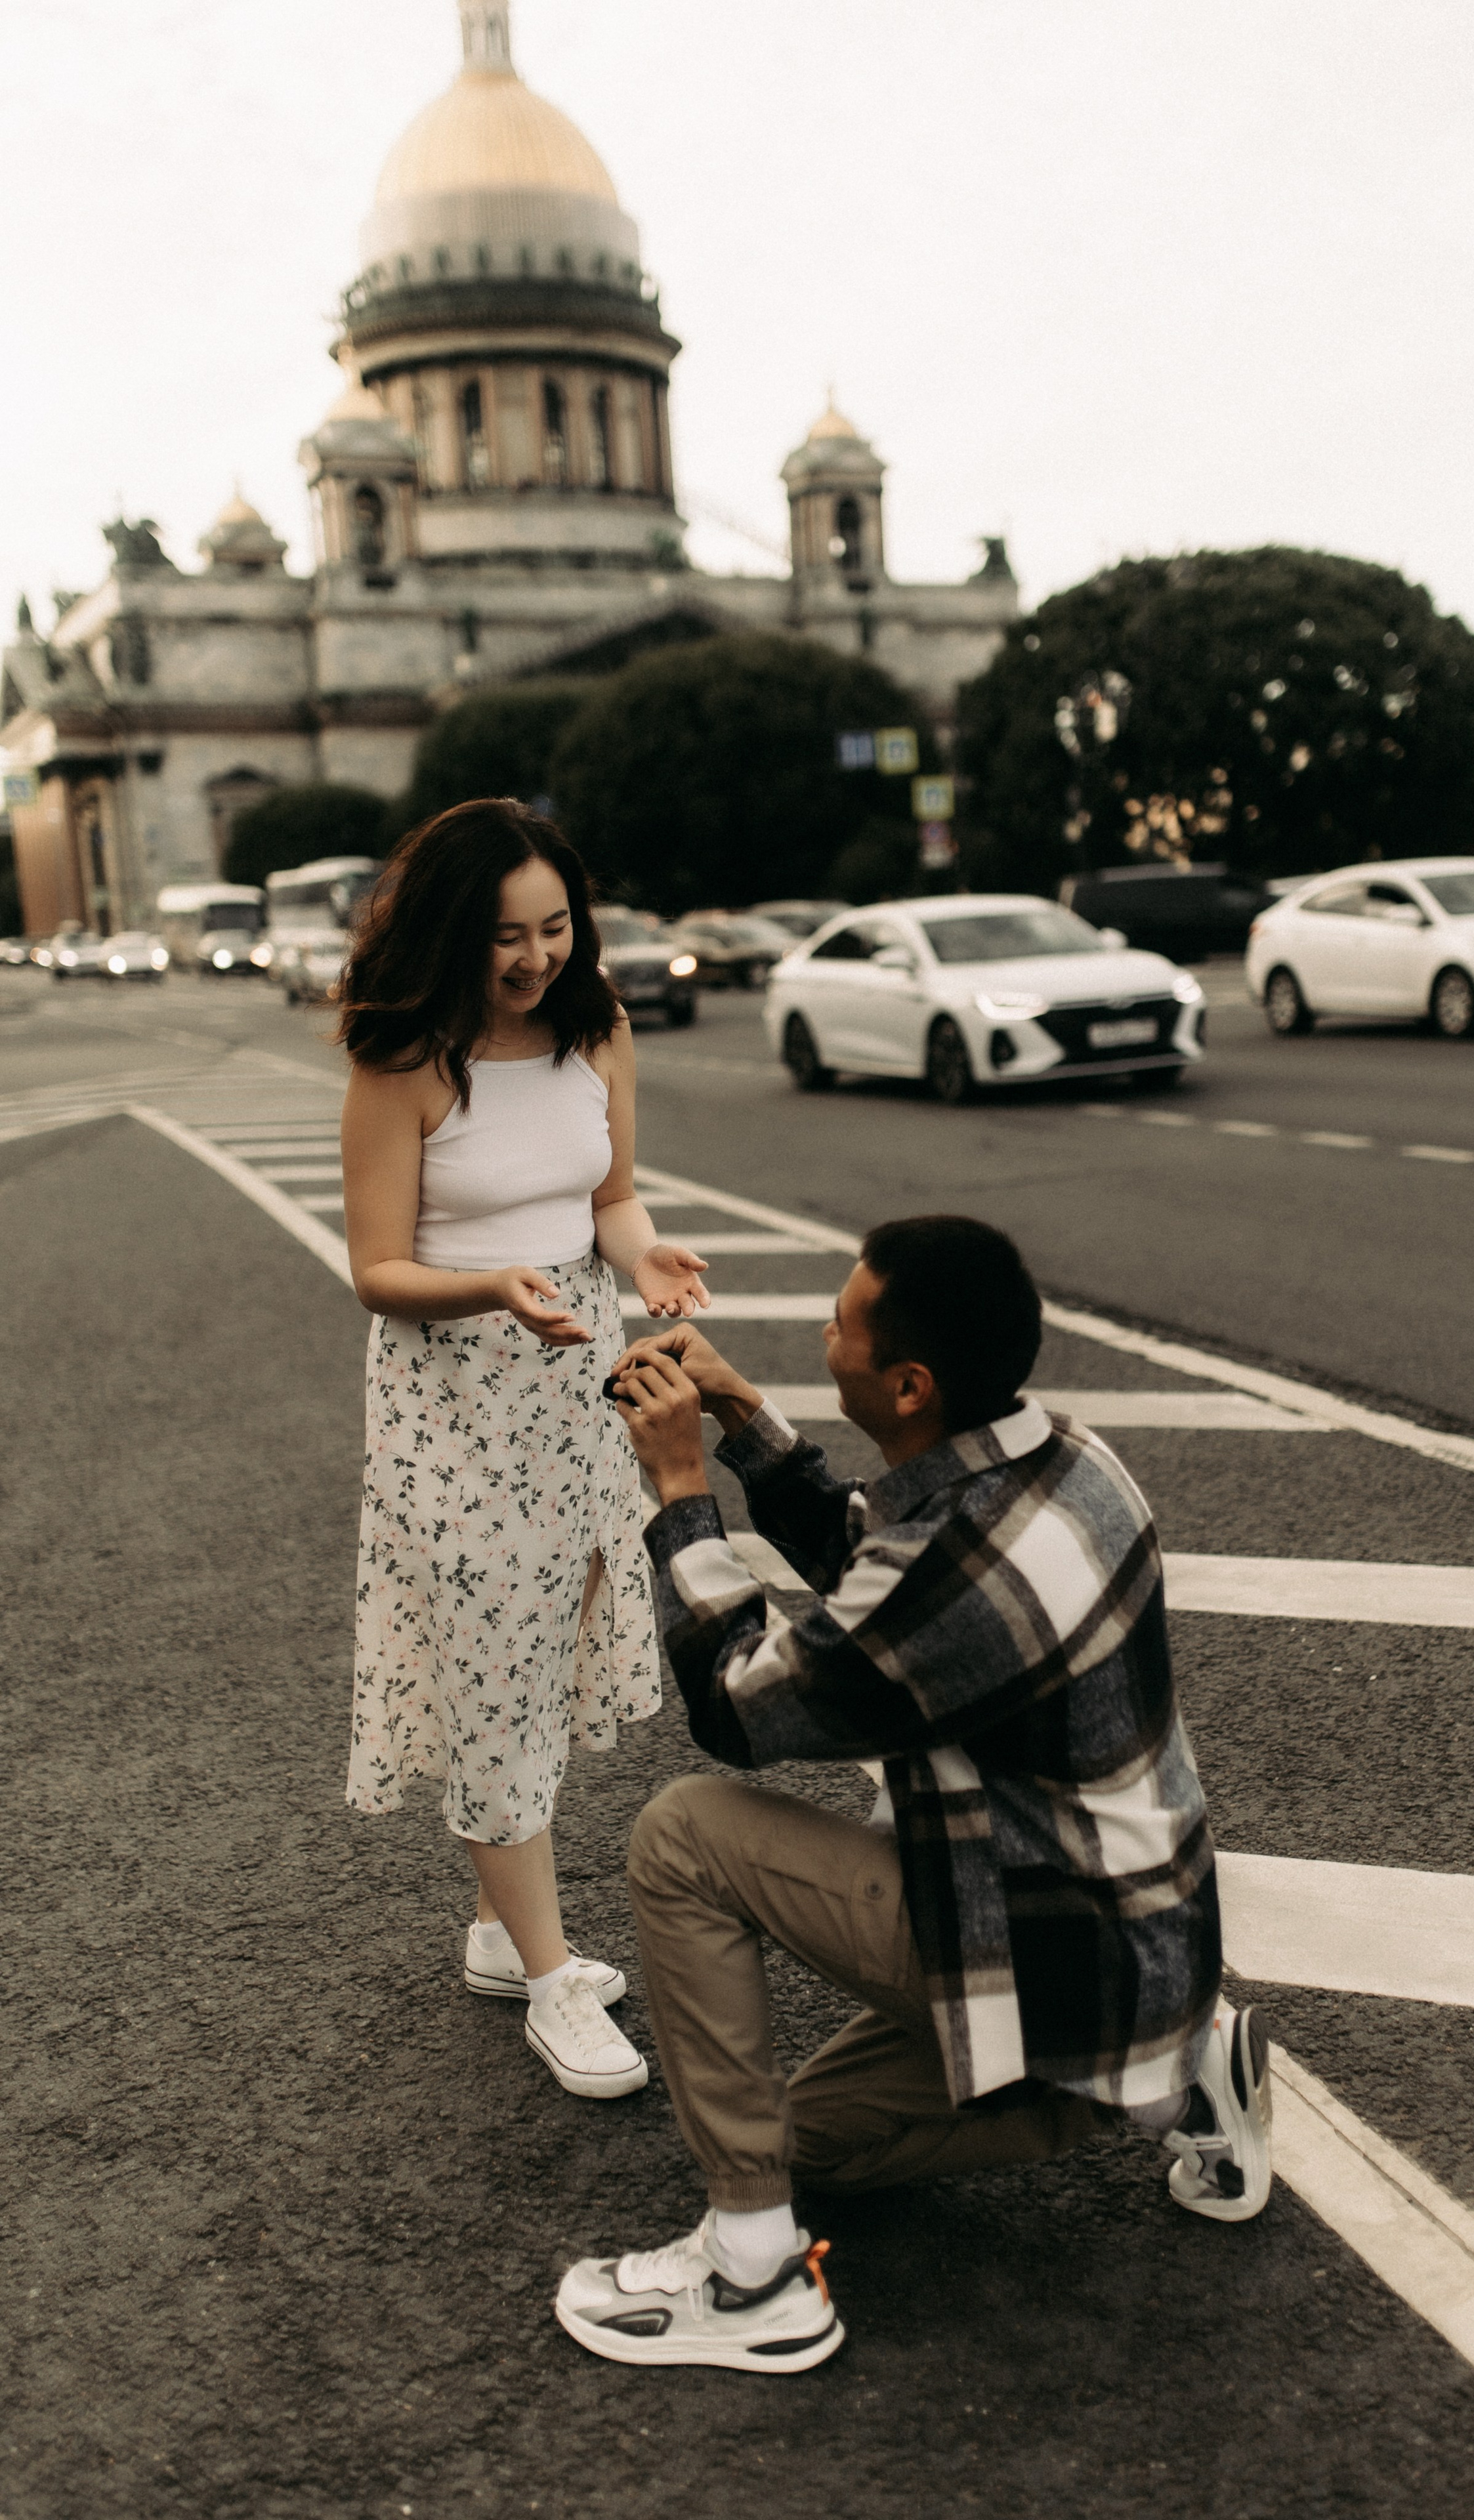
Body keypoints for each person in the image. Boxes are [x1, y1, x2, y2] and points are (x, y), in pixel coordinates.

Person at [554, 1215, 1271, 2373]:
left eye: (840, 1323)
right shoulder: (1070, 1464)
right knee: (805, 2147)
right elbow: (882, 1575)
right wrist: (745, 1422)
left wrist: (682, 1490)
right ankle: (1185, 2074)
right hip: (1142, 1950)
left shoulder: (960, 1566)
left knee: (681, 1834)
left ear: (910, 1383)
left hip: (1049, 1948)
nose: (824, 1335)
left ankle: (753, 2279)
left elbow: (744, 1705)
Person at [337, 798, 711, 2103]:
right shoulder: (403, 1060)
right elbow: (376, 1268)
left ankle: (504, 1931)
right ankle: (552, 1980)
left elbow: (606, 1196)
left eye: (554, 928)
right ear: (452, 932)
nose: (535, 957)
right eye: (507, 936)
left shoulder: (594, 1029)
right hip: (451, 1399)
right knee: (490, 1656)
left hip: (573, 1389)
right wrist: (494, 1285)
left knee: (547, 1645)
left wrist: (641, 1253)